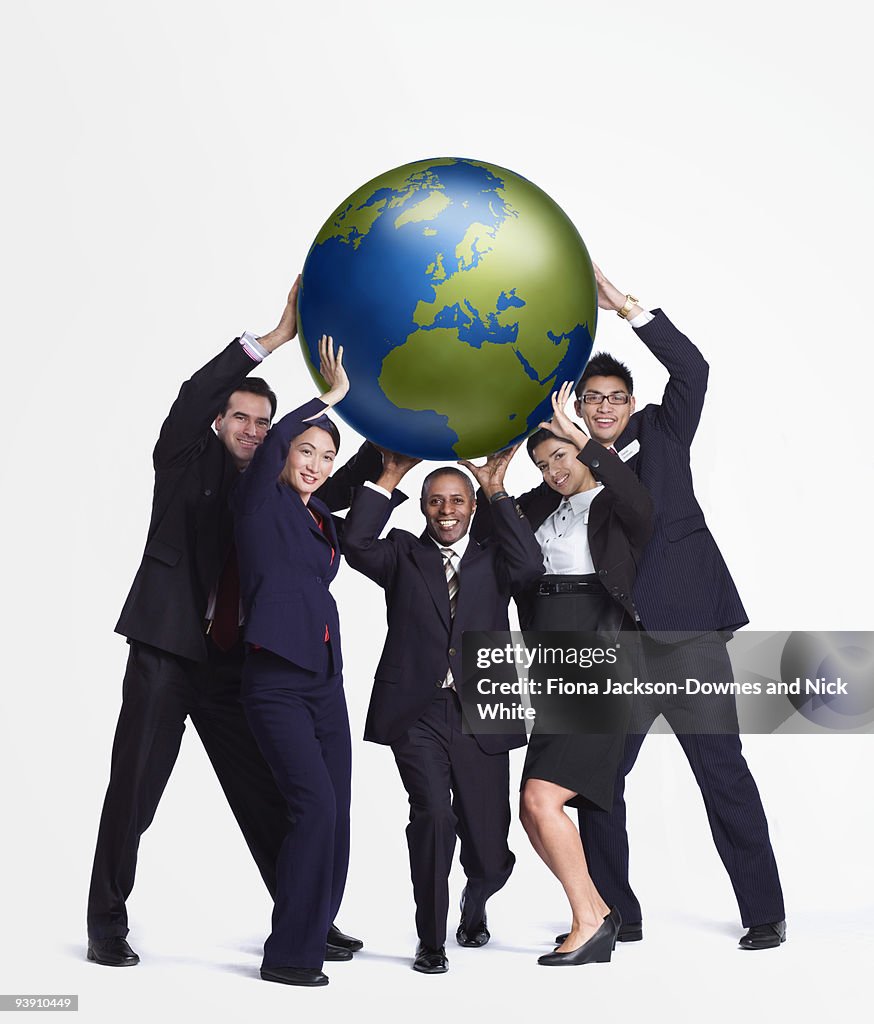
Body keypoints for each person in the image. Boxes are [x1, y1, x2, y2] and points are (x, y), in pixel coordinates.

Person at [488, 264, 786, 951]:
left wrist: (624, 305)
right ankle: (617, 911)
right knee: (597, 785)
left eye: (616, 398)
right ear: (577, 402)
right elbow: (509, 521)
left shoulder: (662, 431)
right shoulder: (564, 466)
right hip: (615, 650)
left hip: (688, 636)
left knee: (723, 771)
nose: (605, 409)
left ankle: (763, 912)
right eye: (592, 399)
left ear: (630, 402)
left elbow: (693, 368)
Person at [87, 282, 374, 968]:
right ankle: (105, 923)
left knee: (272, 795)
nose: (251, 429)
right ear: (221, 422)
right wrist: (273, 341)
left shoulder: (282, 490)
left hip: (236, 666)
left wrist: (391, 424)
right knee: (135, 790)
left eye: (261, 422)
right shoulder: (185, 460)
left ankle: (305, 914)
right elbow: (193, 393)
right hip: (167, 652)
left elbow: (337, 471)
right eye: (241, 418)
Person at [232, 336, 396, 988]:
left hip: (325, 679)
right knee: (314, 809)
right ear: (286, 452)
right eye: (308, 451)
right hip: (274, 679)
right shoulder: (259, 501)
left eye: (326, 457)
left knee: (338, 810)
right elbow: (275, 446)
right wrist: (331, 397)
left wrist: (389, 462)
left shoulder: (317, 516)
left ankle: (314, 924)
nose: (316, 464)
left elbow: (348, 486)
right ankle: (289, 956)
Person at [342, 451, 543, 974]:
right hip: (418, 710)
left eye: (457, 501)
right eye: (435, 502)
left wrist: (495, 488)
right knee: (432, 816)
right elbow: (354, 544)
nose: (446, 510)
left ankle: (477, 897)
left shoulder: (496, 555)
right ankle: (430, 940)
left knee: (489, 849)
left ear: (472, 506)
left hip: (484, 713)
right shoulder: (402, 554)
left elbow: (529, 567)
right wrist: (389, 476)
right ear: (424, 508)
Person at [514, 382, 653, 966]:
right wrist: (494, 481)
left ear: (580, 446)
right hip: (553, 666)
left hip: (600, 662)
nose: (552, 470)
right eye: (543, 464)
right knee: (530, 808)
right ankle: (599, 910)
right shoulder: (547, 507)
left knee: (546, 800)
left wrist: (584, 440)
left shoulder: (617, 505)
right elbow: (504, 533)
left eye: (561, 457)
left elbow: (642, 507)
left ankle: (589, 920)